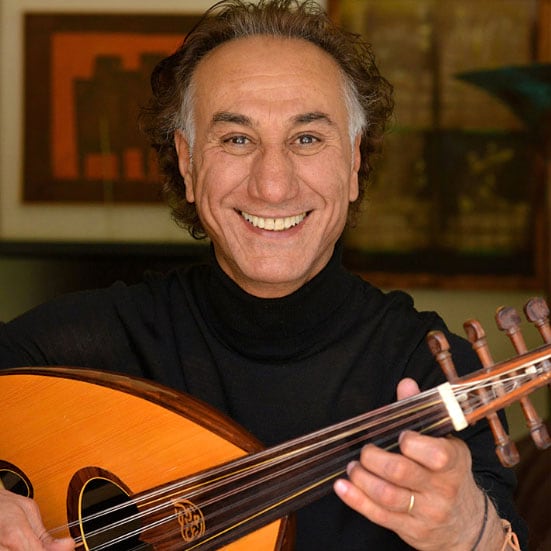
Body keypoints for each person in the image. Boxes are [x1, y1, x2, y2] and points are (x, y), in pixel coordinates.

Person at [0, 1, 526, 549]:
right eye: (236, 139)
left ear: (352, 162)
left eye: (307, 138)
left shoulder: (427, 365)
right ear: (187, 163)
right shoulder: (92, 341)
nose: (272, 185)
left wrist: (470, 530)